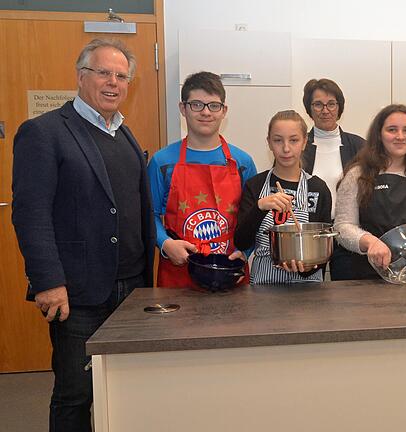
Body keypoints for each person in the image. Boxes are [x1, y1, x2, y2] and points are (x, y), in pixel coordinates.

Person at [11, 39, 155, 431]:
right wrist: (49, 282)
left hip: (131, 290)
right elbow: (30, 214)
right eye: (103, 73)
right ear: (80, 76)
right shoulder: (43, 133)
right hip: (76, 293)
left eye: (121, 75)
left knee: (122, 388)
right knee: (76, 394)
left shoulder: (125, 135)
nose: (113, 82)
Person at [148, 71, 257, 288]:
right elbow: (148, 214)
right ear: (183, 108)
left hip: (230, 272)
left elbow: (254, 217)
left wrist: (244, 251)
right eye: (196, 104)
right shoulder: (162, 162)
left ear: (224, 110)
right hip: (178, 275)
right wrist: (165, 243)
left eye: (213, 105)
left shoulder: (242, 162)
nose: (206, 112)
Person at [333, 104, 406, 280]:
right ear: (379, 135)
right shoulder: (357, 174)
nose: (400, 136)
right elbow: (342, 227)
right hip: (370, 276)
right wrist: (370, 242)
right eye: (392, 130)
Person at [234, 110, 332, 283]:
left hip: (308, 289)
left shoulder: (318, 188)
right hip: (265, 286)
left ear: (304, 142)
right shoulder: (255, 185)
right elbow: (241, 242)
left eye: (294, 140)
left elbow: (323, 248)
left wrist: (307, 269)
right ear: (269, 143)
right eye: (278, 140)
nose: (286, 148)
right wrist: (260, 207)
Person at [300, 78, 366, 217]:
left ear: (339, 107)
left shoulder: (360, 146)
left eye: (331, 104)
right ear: (309, 108)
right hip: (309, 229)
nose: (325, 111)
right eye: (318, 104)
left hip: (349, 229)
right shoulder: (298, 145)